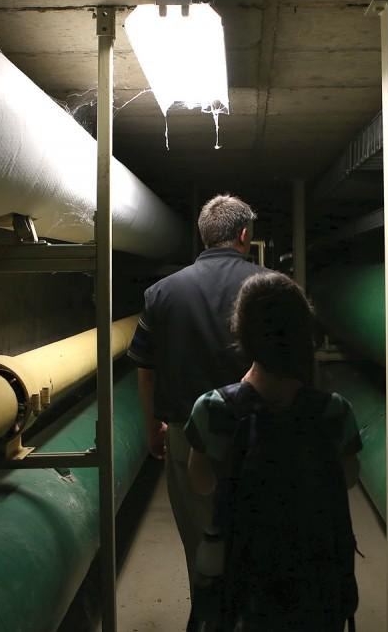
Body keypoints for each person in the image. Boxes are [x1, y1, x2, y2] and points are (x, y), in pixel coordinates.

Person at [184, 271, 362, 632]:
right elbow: (348, 478)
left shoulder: (213, 408)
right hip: (315, 582)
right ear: (302, 334)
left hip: (241, 587)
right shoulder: (333, 410)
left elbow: (201, 484)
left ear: (241, 332)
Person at [127, 194, 264, 597]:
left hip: (187, 436)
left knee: (202, 538)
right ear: (243, 235)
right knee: (257, 534)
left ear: (204, 236)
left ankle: (209, 612)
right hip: (259, 435)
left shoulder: (162, 294)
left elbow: (146, 370)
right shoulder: (269, 286)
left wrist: (153, 427)